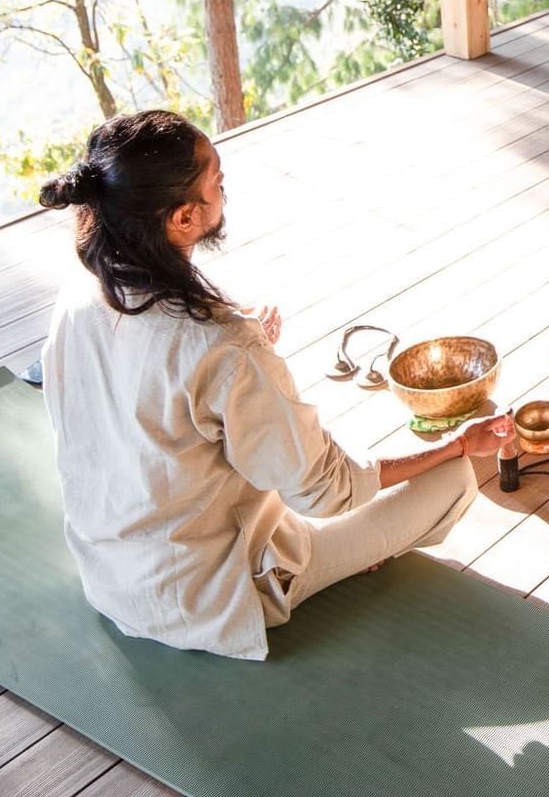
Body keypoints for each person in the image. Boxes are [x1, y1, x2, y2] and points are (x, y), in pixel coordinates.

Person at [36, 109, 510, 660]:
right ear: (184, 218)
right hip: (213, 597)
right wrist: (458, 444)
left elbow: (152, 374)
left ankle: (355, 550)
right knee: (451, 477)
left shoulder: (77, 297)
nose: (224, 188)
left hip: (113, 578)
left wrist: (242, 341)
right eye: (217, 181)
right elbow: (329, 492)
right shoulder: (222, 344)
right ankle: (351, 560)